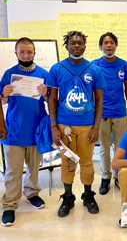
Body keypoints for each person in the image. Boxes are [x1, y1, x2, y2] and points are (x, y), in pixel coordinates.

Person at [47, 31, 106, 217]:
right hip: (65, 126)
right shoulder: (56, 69)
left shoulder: (94, 69)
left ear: (85, 46)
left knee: (87, 162)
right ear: (67, 46)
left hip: (87, 125)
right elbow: (52, 98)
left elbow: (99, 101)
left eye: (80, 43)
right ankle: (67, 197)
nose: (77, 46)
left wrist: (96, 127)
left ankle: (88, 195)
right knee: (68, 162)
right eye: (73, 43)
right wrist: (54, 126)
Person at [0, 37, 48, 226]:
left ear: (34, 53)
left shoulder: (43, 73)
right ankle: (10, 205)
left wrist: (46, 93)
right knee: (13, 172)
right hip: (14, 130)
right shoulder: (9, 74)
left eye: (29, 52)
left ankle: (32, 193)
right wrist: (4, 93)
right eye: (22, 52)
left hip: (36, 130)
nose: (26, 55)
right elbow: (2, 101)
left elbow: (51, 101)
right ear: (16, 53)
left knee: (34, 168)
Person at [92, 32, 127, 195]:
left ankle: (119, 176)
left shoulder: (124, 65)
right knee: (103, 147)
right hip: (101, 114)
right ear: (100, 46)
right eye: (105, 43)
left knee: (120, 147)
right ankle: (105, 177)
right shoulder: (94, 65)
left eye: (111, 43)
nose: (108, 45)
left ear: (116, 45)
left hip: (120, 112)